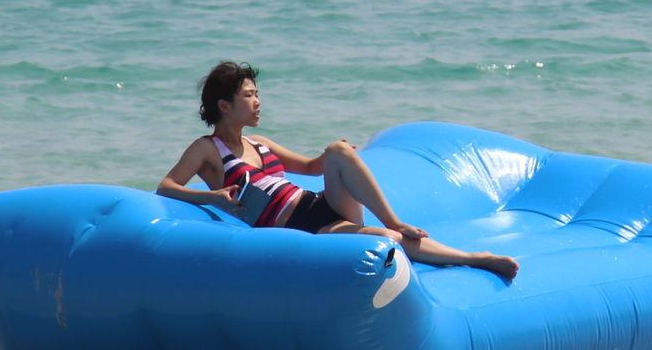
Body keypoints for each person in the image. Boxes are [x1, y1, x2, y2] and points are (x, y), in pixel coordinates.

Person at [157, 62, 518, 281]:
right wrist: (212, 197)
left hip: (317, 204)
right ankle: (474, 259)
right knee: (386, 240)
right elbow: (167, 186)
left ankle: (395, 220)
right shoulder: (208, 149)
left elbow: (313, 168)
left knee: (337, 151)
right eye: (249, 95)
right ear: (224, 105)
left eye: (257, 93)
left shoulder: (261, 142)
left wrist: (340, 155)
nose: (258, 101)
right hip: (301, 225)